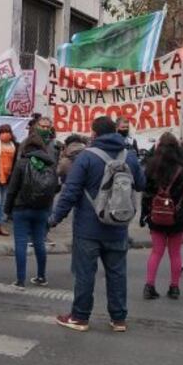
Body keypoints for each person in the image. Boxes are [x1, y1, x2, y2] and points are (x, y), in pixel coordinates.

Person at [51, 116, 145, 332]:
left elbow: (70, 192)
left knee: (85, 274)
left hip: (88, 228)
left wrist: (55, 218)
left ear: (94, 133)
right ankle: (118, 319)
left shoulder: (86, 157)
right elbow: (141, 184)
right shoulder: (129, 156)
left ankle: (80, 317)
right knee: (117, 274)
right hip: (118, 226)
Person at [140, 132, 183, 300]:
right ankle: (174, 287)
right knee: (175, 253)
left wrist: (145, 214)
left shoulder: (151, 168)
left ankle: (149, 286)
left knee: (156, 252)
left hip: (156, 216)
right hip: (178, 217)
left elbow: (146, 194)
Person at [4, 130, 59, 289]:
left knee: (21, 243)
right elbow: (55, 187)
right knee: (39, 242)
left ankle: (20, 280)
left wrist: (7, 209)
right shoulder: (50, 164)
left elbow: (12, 189)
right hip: (42, 209)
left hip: (21, 208)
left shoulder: (22, 163)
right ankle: (41, 276)